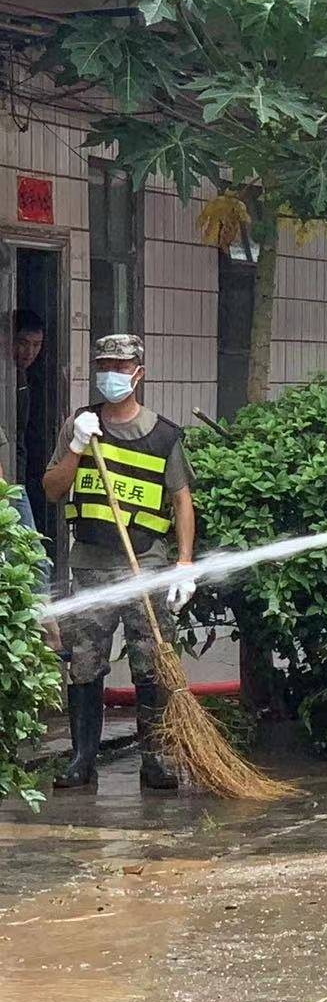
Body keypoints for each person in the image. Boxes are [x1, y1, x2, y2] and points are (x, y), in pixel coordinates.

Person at [41, 334, 196, 791]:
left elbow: (182, 501)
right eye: (104, 364)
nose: (110, 373)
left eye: (119, 365)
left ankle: (156, 760)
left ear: (138, 374)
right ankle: (81, 759)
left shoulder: (164, 435)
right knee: (85, 662)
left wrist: (184, 563)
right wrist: (76, 446)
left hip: (144, 564)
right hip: (90, 564)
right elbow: (52, 488)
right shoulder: (80, 425)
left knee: (152, 663)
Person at [13, 310, 47, 532]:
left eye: (37, 345)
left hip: (24, 472)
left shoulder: (31, 376)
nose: (30, 352)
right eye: (23, 343)